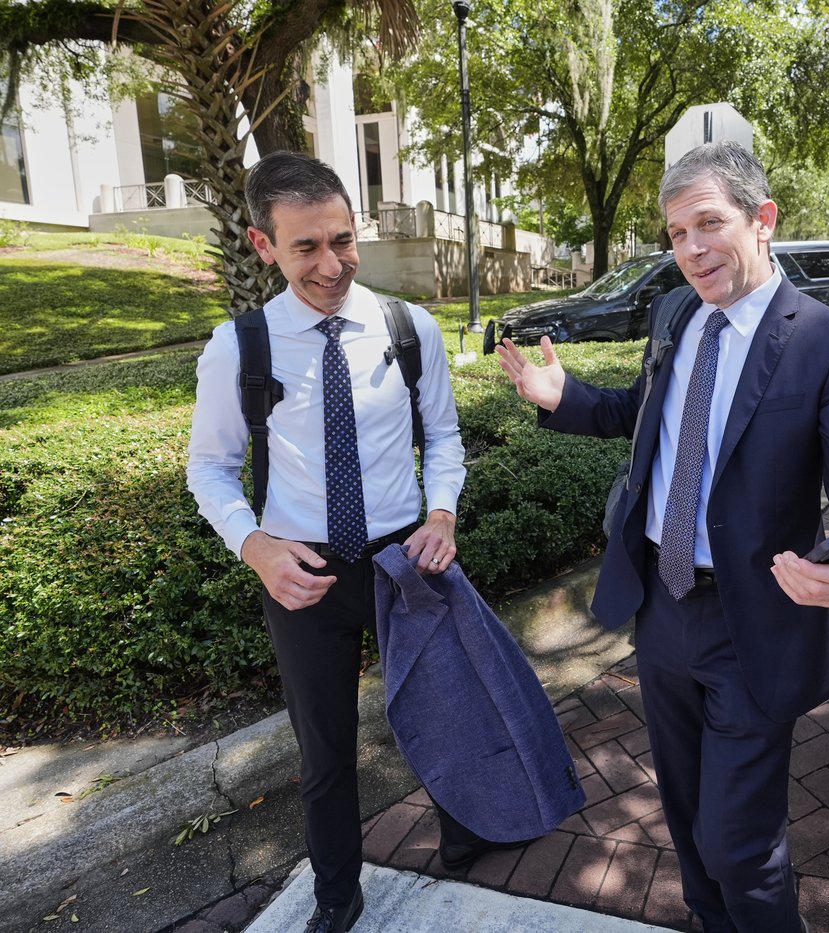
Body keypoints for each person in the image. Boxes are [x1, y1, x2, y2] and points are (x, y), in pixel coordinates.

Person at [496, 141, 829, 933]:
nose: (691, 249)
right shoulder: (675, 314)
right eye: (677, 233)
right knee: (686, 823)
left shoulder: (828, 343)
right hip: (660, 605)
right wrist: (564, 396)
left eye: (709, 223)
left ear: (763, 221)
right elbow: (641, 416)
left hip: (752, 622)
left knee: (739, 845)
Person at [186, 152, 486, 933]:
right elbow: (210, 469)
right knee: (325, 746)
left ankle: (462, 828)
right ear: (263, 245)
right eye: (306, 247)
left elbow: (444, 437)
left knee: (438, 709)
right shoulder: (237, 349)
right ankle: (336, 891)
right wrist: (256, 547)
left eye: (343, 240)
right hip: (300, 572)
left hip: (401, 556)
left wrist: (443, 514)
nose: (332, 264)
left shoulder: (405, 327)